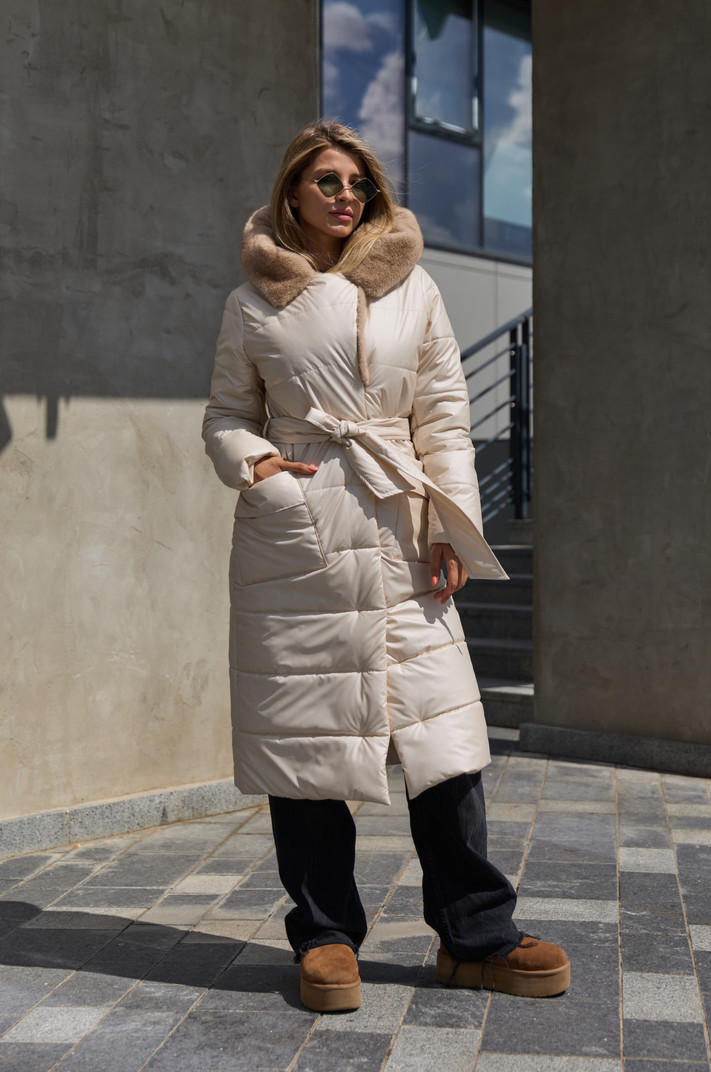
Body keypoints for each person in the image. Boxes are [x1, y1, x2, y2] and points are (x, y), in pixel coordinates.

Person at [202, 119, 569, 1012]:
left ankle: (476, 937)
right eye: (327, 181)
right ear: (292, 192)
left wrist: (449, 526)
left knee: (444, 746)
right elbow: (224, 416)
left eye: (358, 182)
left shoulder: (415, 287)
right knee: (306, 745)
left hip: (403, 525)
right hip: (301, 539)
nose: (346, 195)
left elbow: (443, 415)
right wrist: (258, 466)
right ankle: (325, 939)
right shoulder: (254, 300)